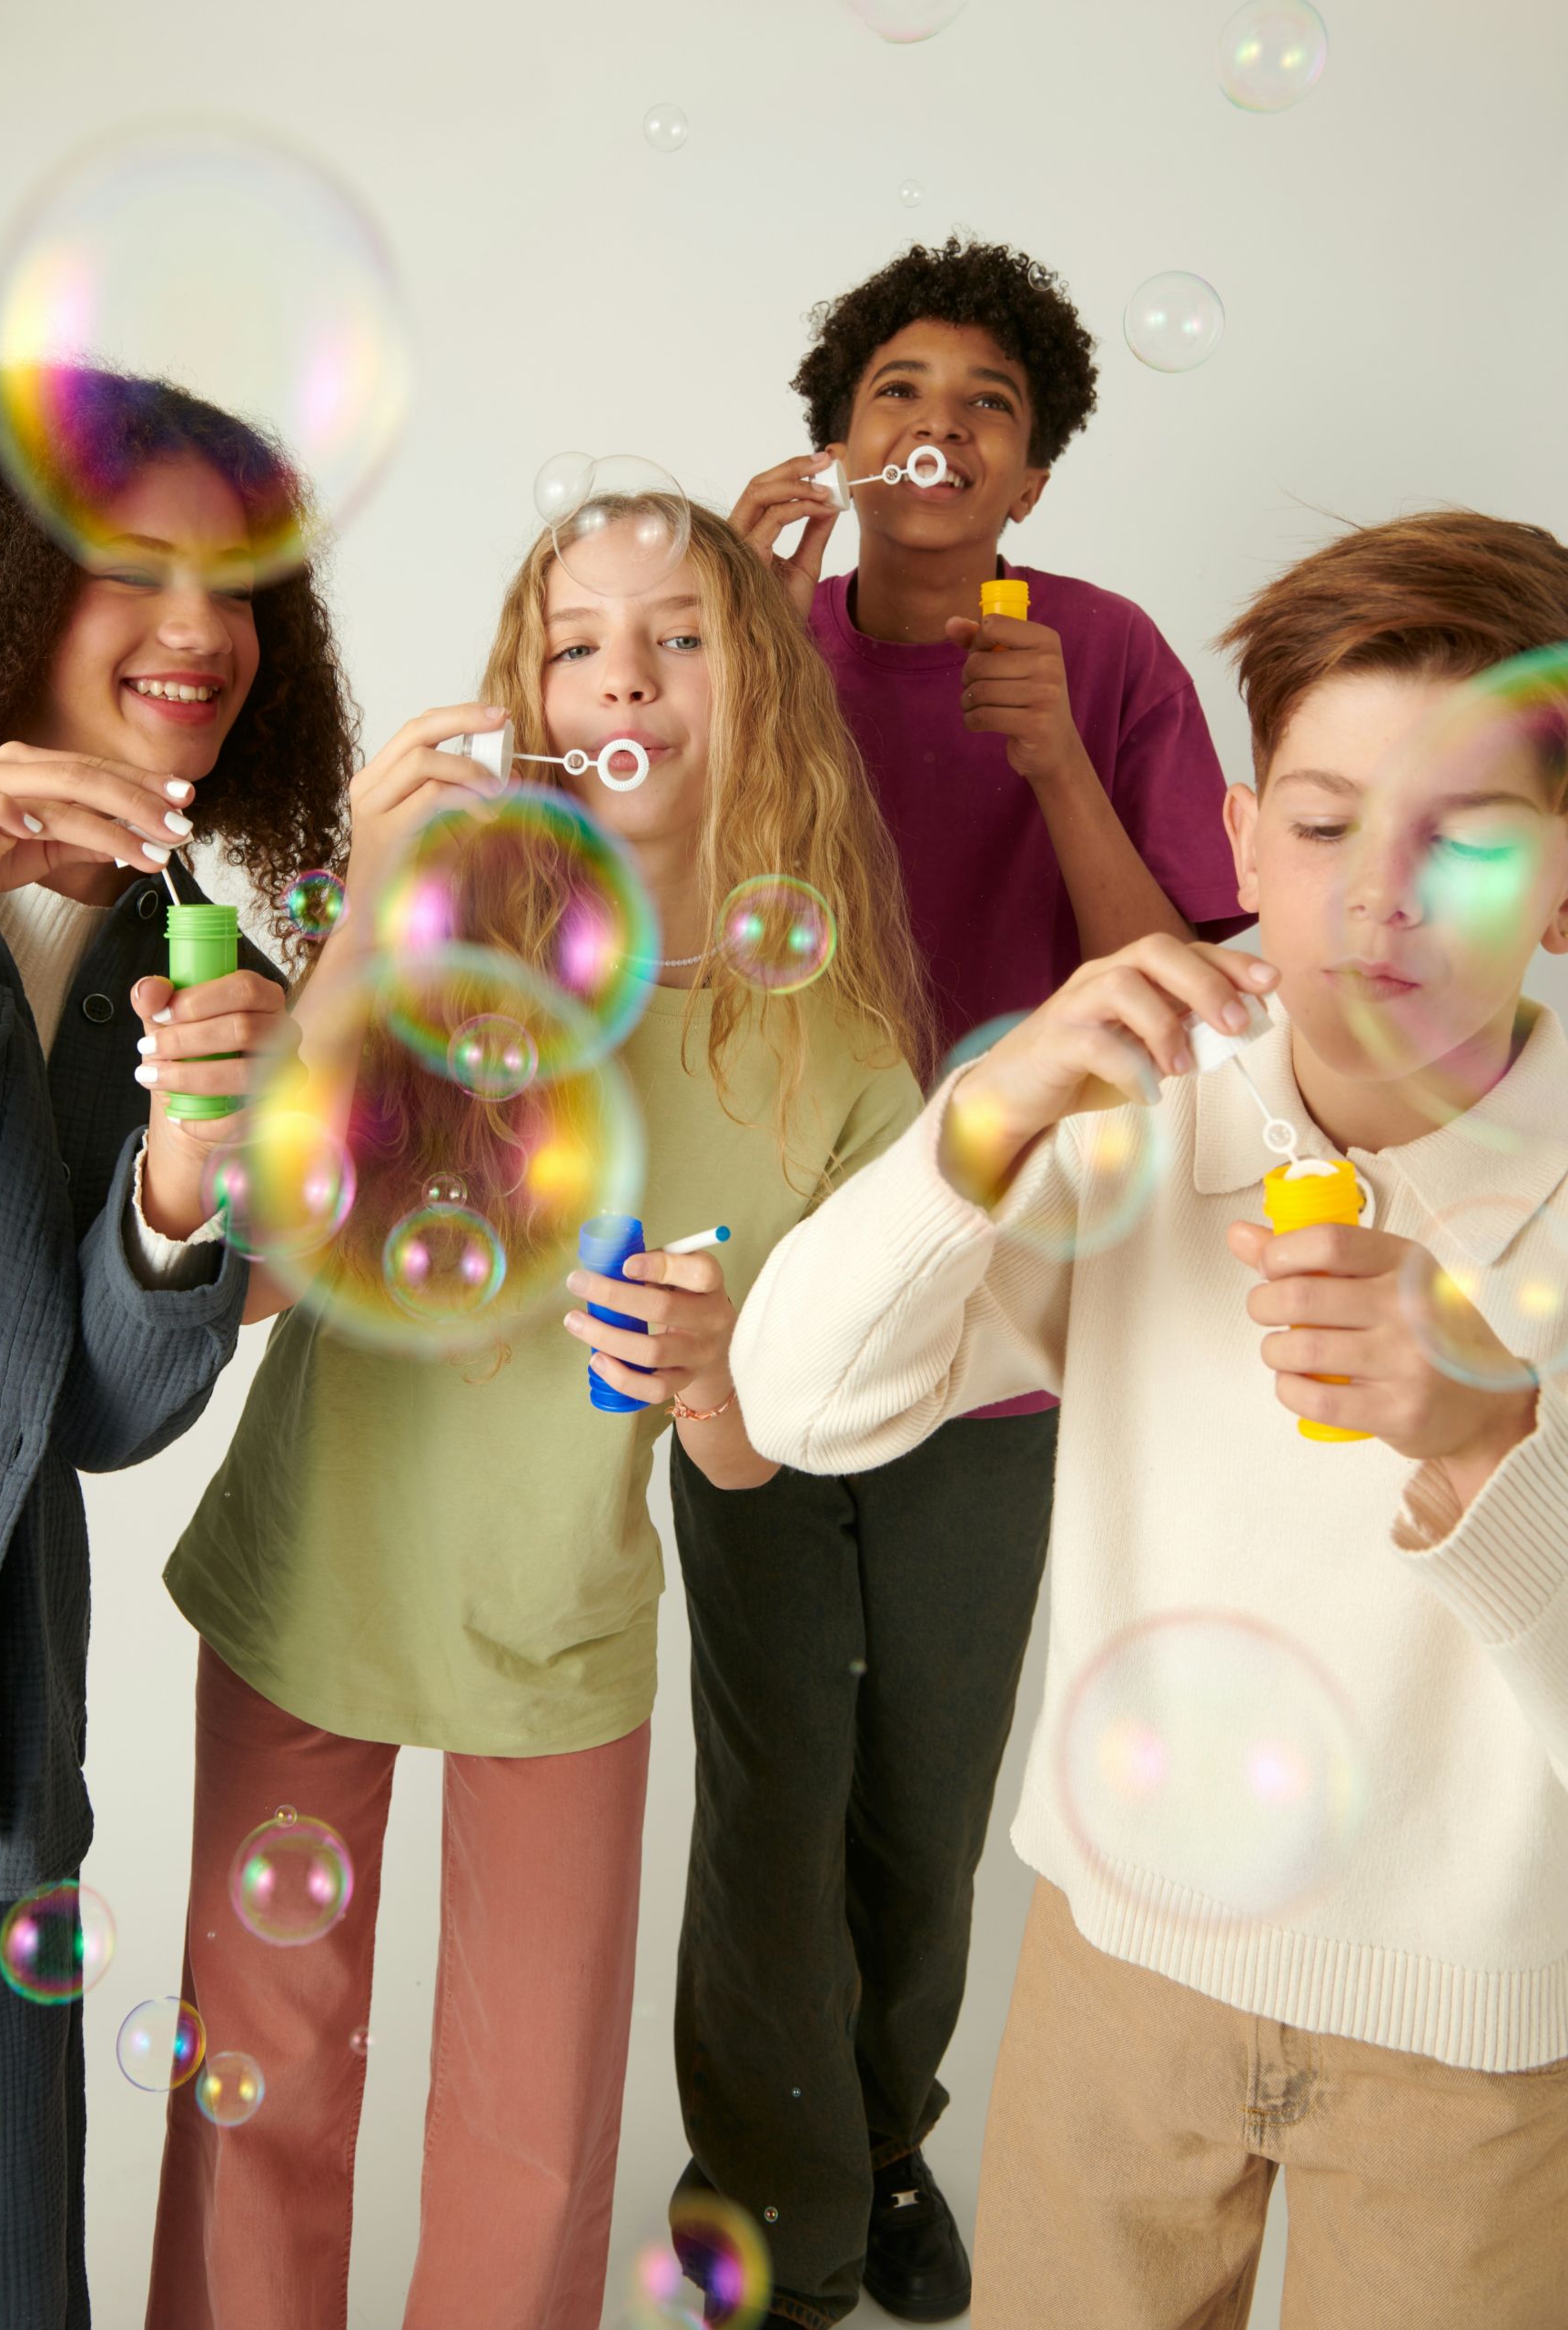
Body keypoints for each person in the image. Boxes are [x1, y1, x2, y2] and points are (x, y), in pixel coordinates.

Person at [729, 509, 1568, 2330]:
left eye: (1475, 836)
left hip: (1486, 2053)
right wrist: (994, 1103)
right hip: (1122, 1980)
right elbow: (799, 1398)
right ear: (1245, 843)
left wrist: (1495, 1440)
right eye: (1330, 823)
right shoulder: (1135, 1116)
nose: (1384, 895)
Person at [146, 493, 933, 2330]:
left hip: (561, 1632)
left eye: (676, 635)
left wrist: (720, 1370)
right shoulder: (435, 929)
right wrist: (351, 913)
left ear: (760, 681)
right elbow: (252, 1269)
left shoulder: (838, 1052)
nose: (624, 676)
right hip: (308, 1585)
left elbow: (757, 1449)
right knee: (259, 2091)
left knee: (534, 2135)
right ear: (528, 694)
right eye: (577, 642)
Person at [668, 236, 1252, 2328]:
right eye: (898, 385)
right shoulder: (757, 647)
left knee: (922, 1789)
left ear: (1031, 472)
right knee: (770, 1793)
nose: (939, 420)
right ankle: (780, 2214)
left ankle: (883, 2126)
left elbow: (1192, 987)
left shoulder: (1099, 659)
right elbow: (645, 907)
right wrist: (709, 626)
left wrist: (1058, 764)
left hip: (999, 1327)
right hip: (751, 1294)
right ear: (842, 435)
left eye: (989, 400)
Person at [0, 369, 354, 2327]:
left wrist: (192, 1178)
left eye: (247, 583)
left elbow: (104, 1410)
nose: (209, 629)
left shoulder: (181, 934)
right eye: (136, 566)